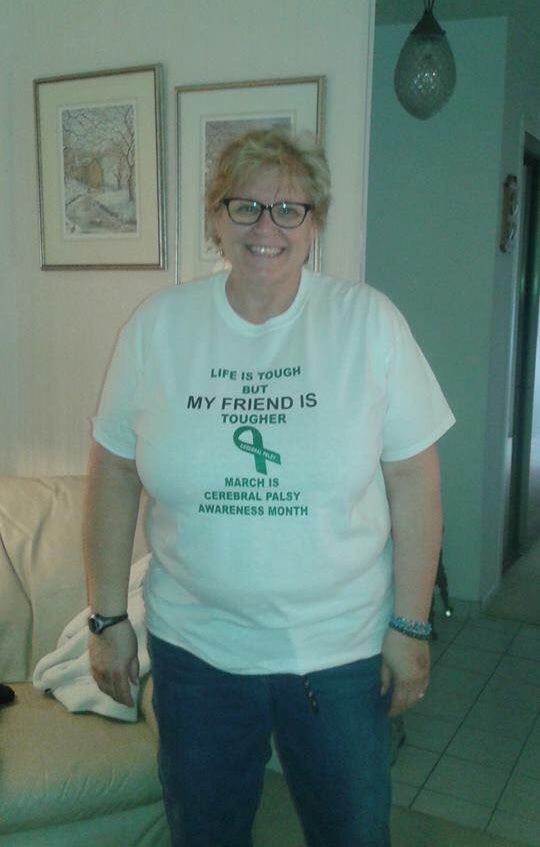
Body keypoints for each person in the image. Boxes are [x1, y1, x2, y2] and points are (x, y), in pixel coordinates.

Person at [83, 127, 455, 847]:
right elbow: (115, 473)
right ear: (216, 217)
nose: (266, 227)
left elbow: (414, 477)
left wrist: (410, 625)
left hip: (338, 654)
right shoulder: (158, 328)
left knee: (352, 834)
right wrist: (106, 619)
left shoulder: (367, 323)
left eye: (290, 209)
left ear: (315, 224)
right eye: (246, 206)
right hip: (197, 654)